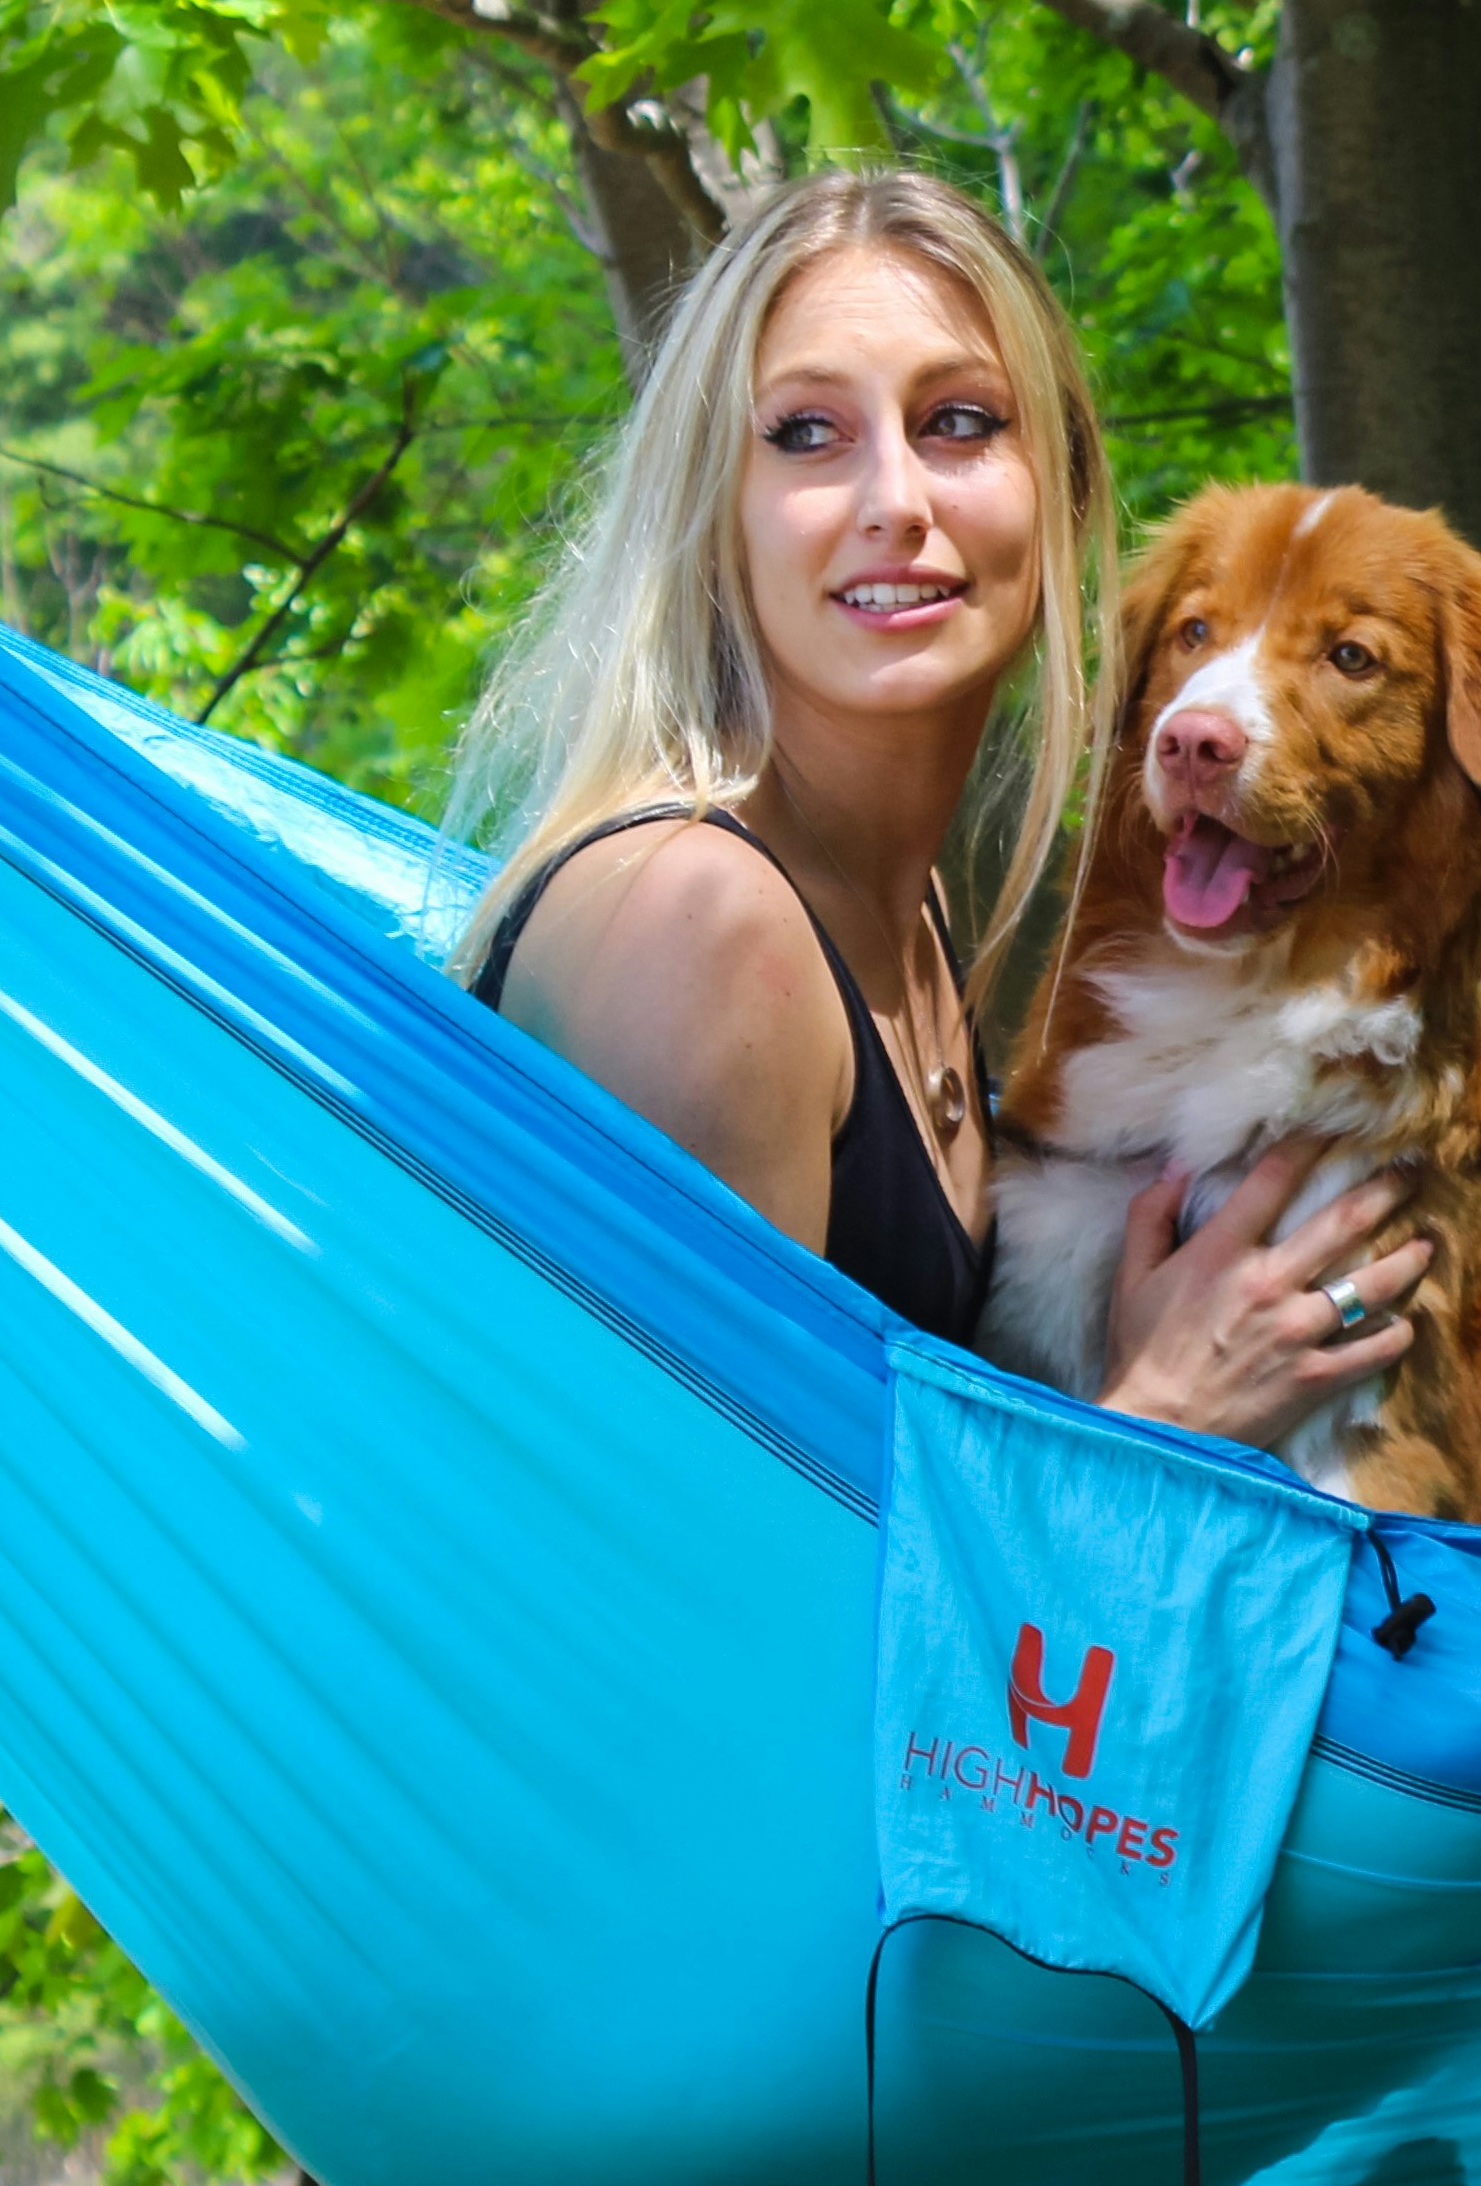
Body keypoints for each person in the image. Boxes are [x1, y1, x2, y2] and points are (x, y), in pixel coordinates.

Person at [447, 169, 1424, 1444]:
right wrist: (1163, 1417)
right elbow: (711, 1590)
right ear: (716, 512)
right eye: (804, 433)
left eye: (959, 421)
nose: (894, 500)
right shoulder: (696, 920)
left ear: (1062, 490)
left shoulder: (913, 918)